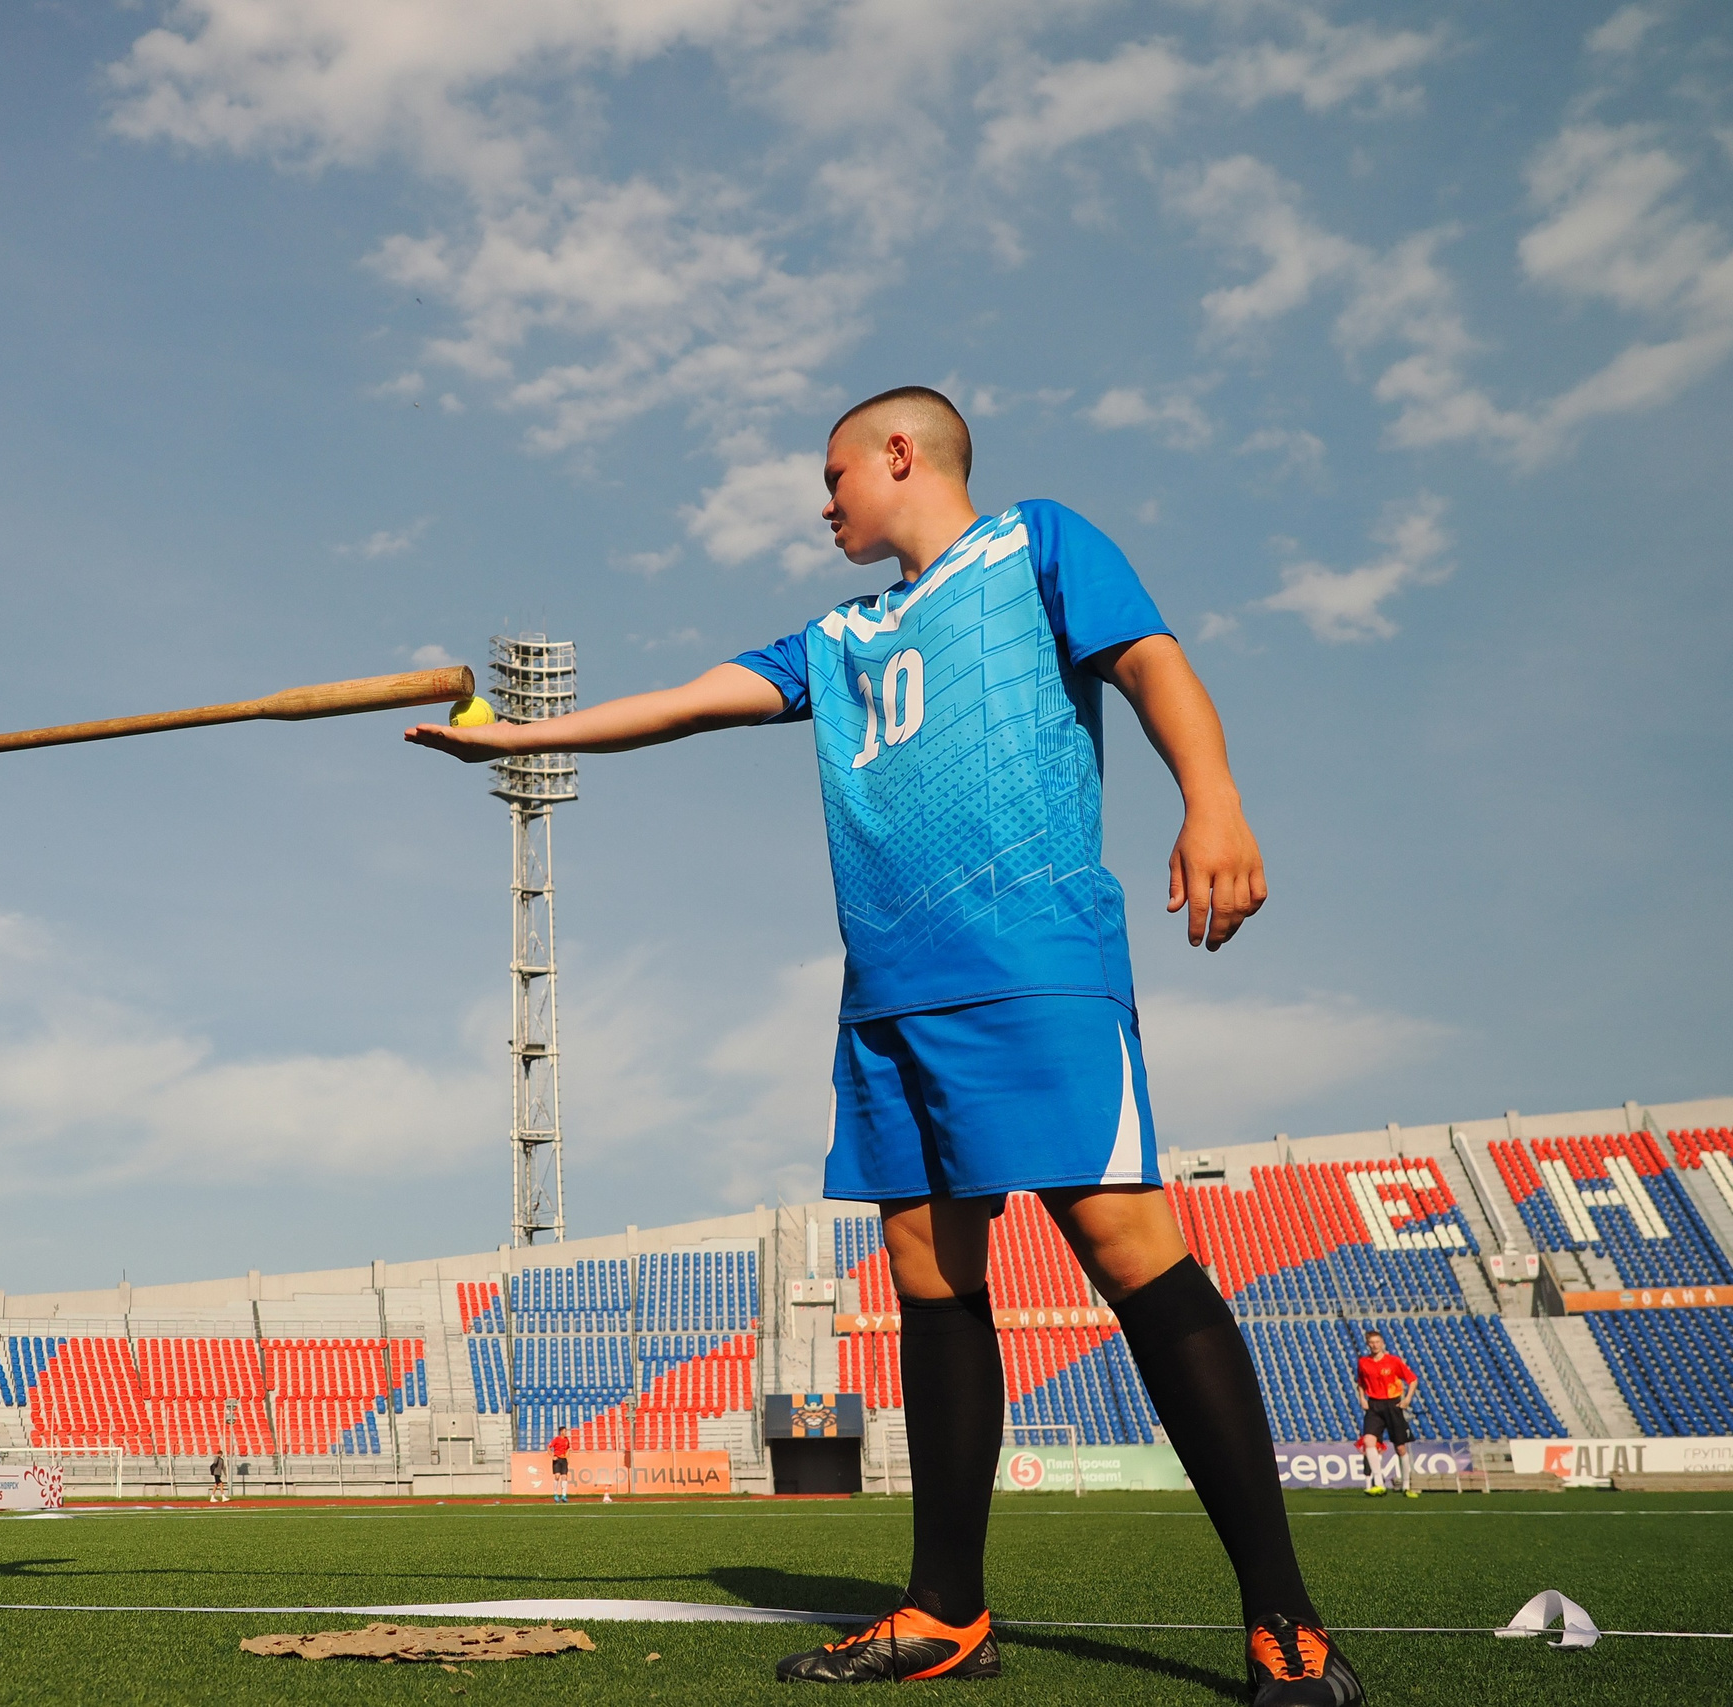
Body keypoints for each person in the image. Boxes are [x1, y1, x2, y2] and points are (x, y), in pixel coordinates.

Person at [408, 389, 1359, 1705]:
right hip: (887, 990)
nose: (824, 499)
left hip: (1032, 961)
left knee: (1125, 1239)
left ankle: (1285, 1622)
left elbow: (1153, 663)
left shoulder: (1039, 543)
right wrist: (516, 738)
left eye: (833, 473)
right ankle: (946, 1609)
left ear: (899, 454)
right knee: (925, 1265)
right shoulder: (838, 635)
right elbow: (688, 702)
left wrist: (1216, 800)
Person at [1355, 1331, 1420, 1499]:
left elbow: (1412, 1379)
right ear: (1368, 1344)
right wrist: (1362, 1397)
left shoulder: (1393, 1361)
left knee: (1400, 1447)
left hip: (1393, 1404)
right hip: (1374, 1405)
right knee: (1369, 1441)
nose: (1375, 1345)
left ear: (1382, 1343)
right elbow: (1361, 1382)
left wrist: (1407, 1399)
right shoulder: (1363, 1362)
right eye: (1372, 1342)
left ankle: (1406, 1485)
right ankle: (1379, 1483)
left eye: (1378, 1342)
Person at [549, 1427, 573, 1505]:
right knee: (557, 1476)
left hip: (564, 1459)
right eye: (564, 1431)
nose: (566, 1432)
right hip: (557, 1459)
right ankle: (555, 1494)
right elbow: (549, 1447)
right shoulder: (556, 1439)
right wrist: (552, 1456)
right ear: (561, 1432)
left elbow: (568, 1449)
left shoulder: (566, 1440)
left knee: (564, 1477)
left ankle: (564, 1495)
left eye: (566, 1431)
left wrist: (568, 1458)